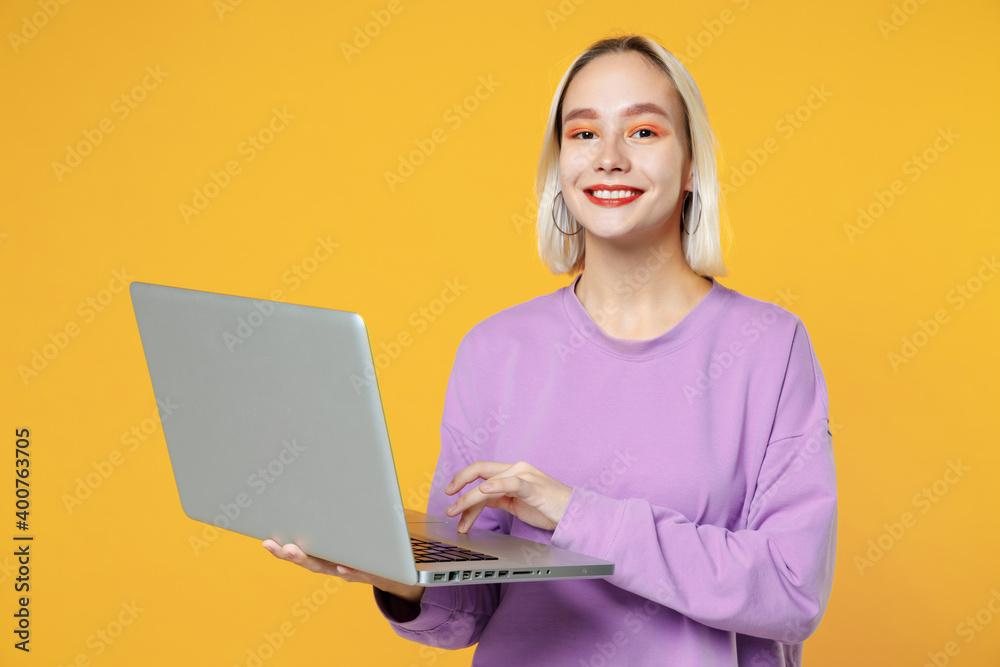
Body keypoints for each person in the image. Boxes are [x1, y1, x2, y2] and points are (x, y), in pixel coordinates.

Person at [263, 33, 837, 666]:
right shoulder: (494, 350)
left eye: (644, 132)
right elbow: (465, 612)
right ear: (558, 163)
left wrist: (573, 513)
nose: (609, 158)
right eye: (583, 134)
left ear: (693, 163)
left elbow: (790, 589)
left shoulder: (769, 348)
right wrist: (393, 570)